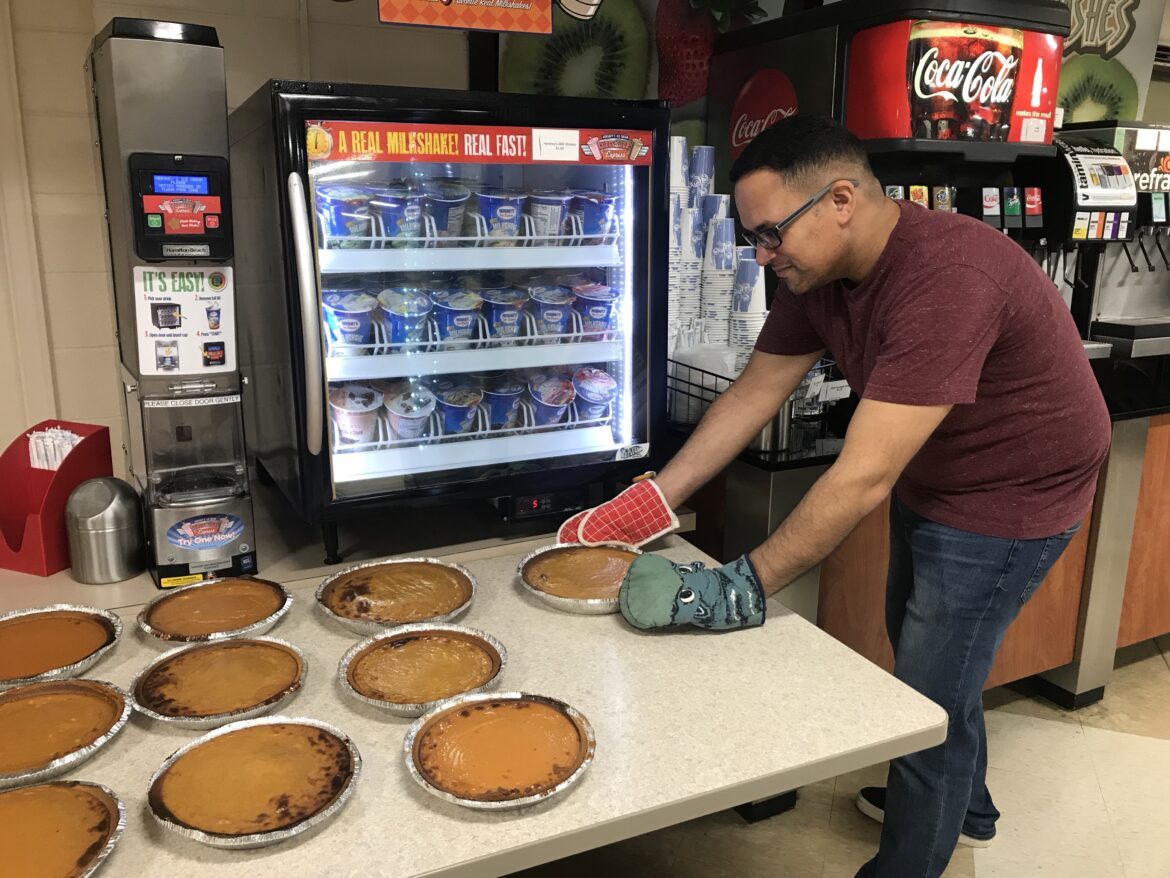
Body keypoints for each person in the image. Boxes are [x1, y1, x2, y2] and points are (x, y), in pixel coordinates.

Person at [558, 115, 1111, 877]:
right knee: (930, 655)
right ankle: (969, 804)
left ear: (840, 200)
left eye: (771, 233)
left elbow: (861, 476)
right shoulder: (814, 273)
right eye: (753, 237)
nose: (761, 254)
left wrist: (740, 586)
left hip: (1018, 491)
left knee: (928, 693)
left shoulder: (948, 278)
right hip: (941, 471)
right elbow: (755, 393)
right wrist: (654, 500)